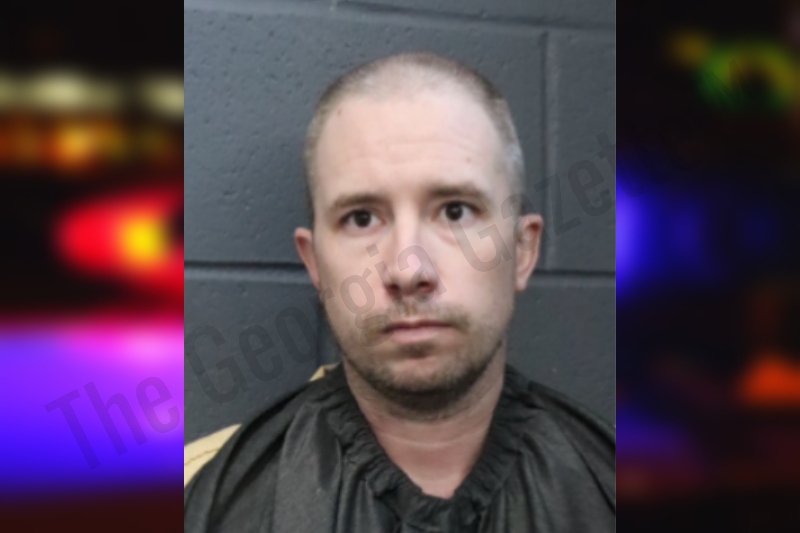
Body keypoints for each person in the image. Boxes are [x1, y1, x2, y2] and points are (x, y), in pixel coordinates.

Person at [184, 52, 615, 533]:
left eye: (455, 211)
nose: (408, 271)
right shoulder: (198, 499)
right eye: (361, 218)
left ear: (521, 251)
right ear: (315, 263)